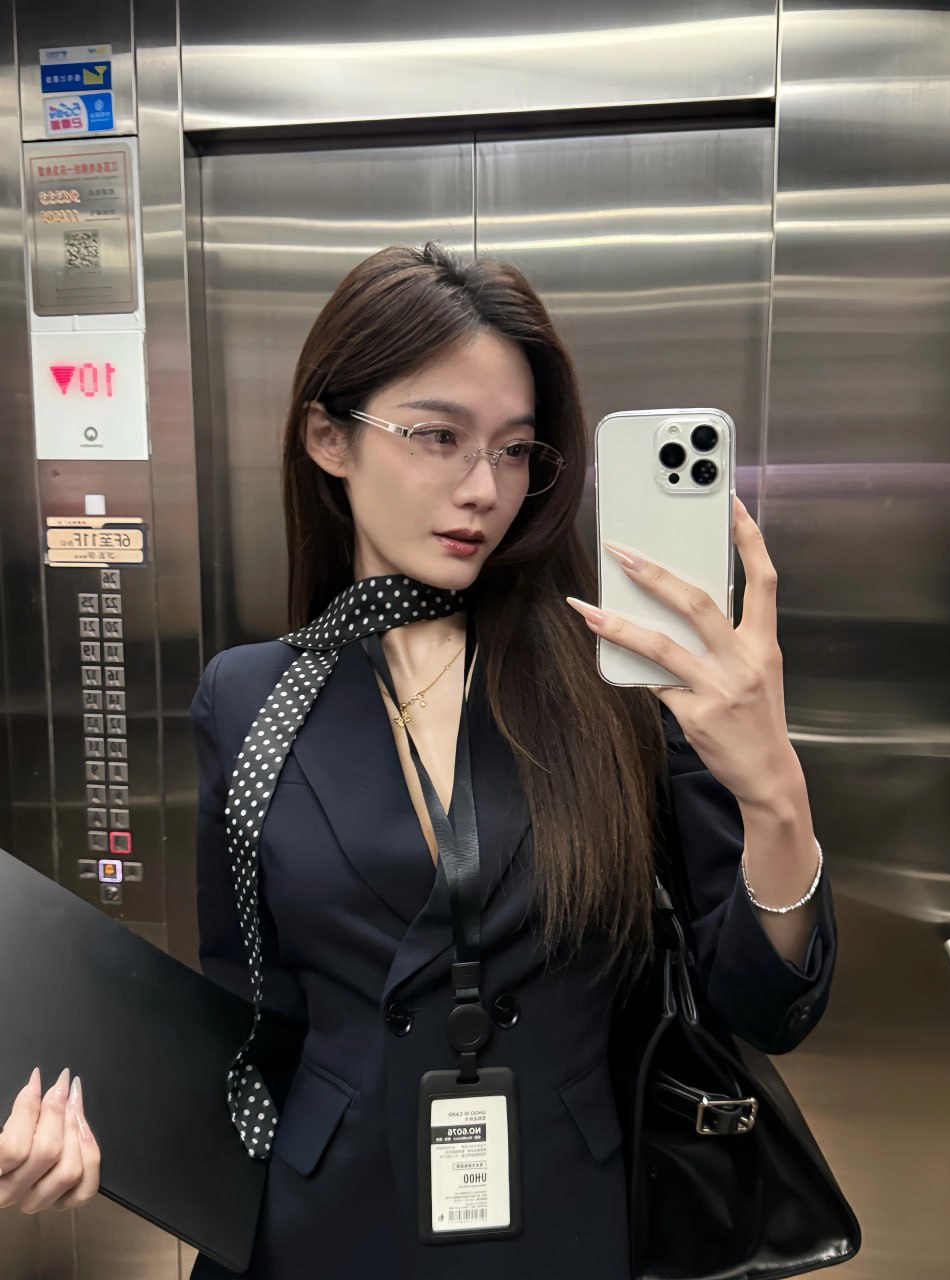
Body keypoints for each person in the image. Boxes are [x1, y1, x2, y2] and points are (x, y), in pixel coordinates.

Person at [0, 243, 835, 1278]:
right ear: (328, 437)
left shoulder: (621, 682)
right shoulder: (249, 697)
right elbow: (248, 1023)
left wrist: (775, 794)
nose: (484, 488)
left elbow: (766, 1007)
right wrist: (87, 1131)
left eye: (516, 450)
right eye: (439, 436)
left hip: (568, 1223)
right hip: (322, 1227)